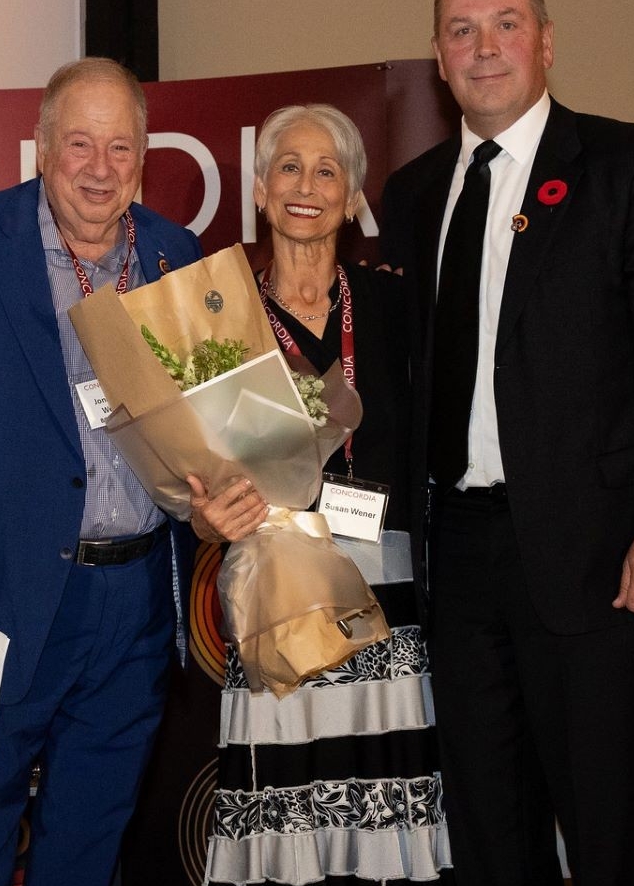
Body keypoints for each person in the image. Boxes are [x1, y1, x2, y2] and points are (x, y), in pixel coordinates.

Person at [378, 0, 634, 886]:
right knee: (491, 836)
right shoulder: (412, 196)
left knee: (606, 830)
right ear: (437, 56)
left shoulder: (631, 163)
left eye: (504, 23)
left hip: (601, 560)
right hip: (455, 563)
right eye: (462, 29)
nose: (484, 46)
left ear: (546, 41)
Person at [0, 57, 265, 885]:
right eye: (80, 145)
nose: (100, 169)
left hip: (131, 603)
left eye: (120, 149)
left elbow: (211, 428)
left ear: (141, 157)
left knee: (90, 836)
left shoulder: (174, 255)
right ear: (41, 147)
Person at [205, 104, 453, 885]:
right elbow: (196, 469)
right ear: (259, 189)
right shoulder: (221, 320)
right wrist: (203, 508)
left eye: (326, 170)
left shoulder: (399, 308)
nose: (305, 186)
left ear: (353, 198)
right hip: (279, 593)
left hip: (389, 602)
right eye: (288, 167)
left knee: (385, 816)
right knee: (289, 817)